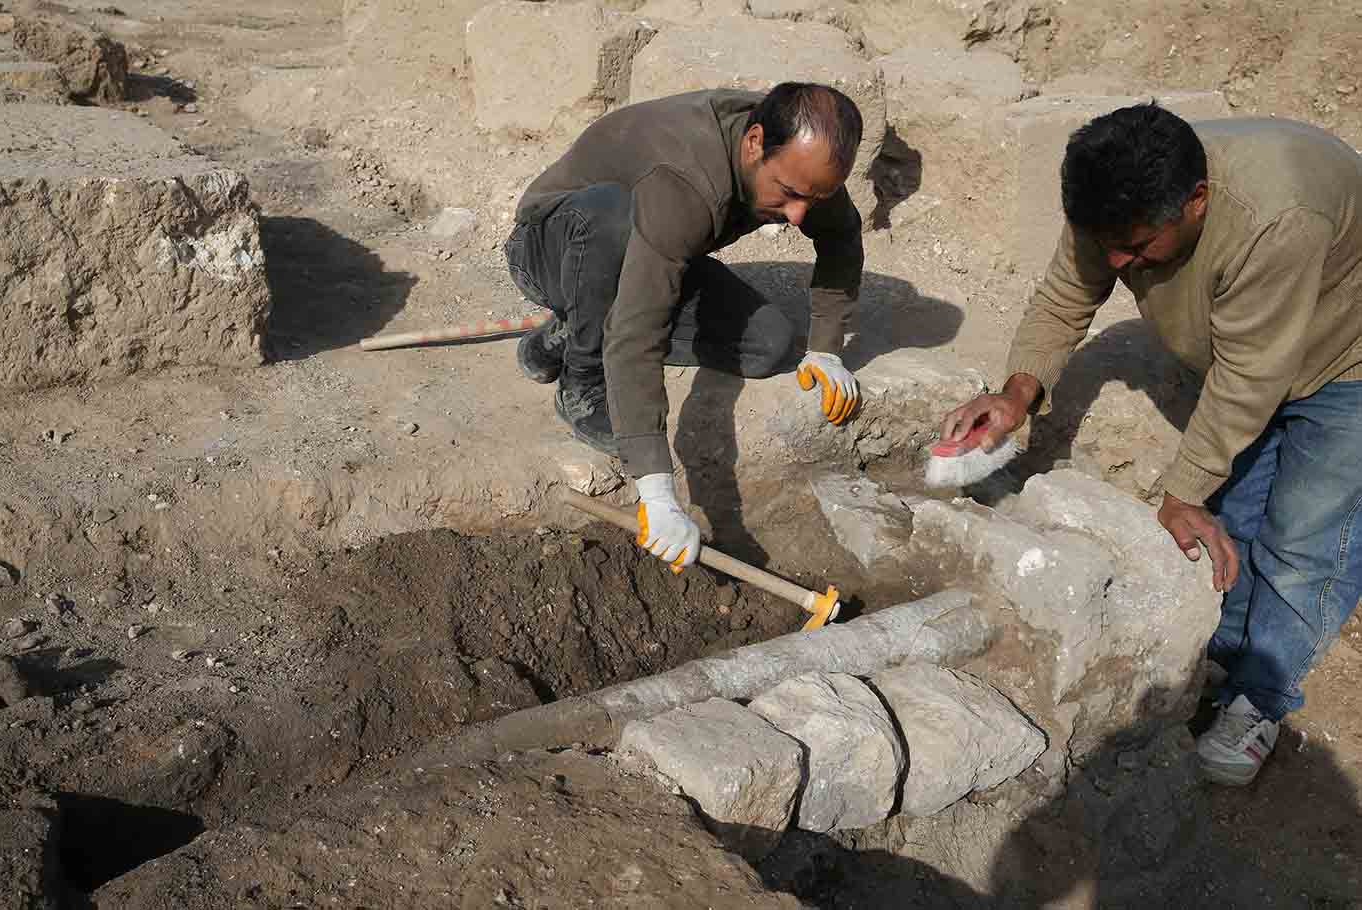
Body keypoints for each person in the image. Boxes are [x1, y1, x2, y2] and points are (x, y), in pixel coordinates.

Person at [940, 103, 1362, 786]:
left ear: (1198, 201)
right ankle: (1227, 655)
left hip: (1348, 355)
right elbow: (1064, 296)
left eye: (1133, 251)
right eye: (1106, 243)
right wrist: (1017, 395)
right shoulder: (1119, 197)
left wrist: (1181, 490)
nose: (1116, 263)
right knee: (1242, 516)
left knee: (1307, 540)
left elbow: (1253, 374)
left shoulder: (1276, 218)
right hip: (1251, 353)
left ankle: (1261, 697)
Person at [505, 83, 866, 572]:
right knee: (613, 224)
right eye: (790, 194)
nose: (800, 214)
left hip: (654, 240)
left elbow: (842, 236)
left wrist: (825, 349)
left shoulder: (803, 156)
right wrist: (656, 490)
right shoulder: (687, 176)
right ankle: (582, 375)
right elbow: (639, 332)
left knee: (768, 345)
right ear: (755, 142)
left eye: (814, 198)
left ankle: (571, 333)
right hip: (556, 244)